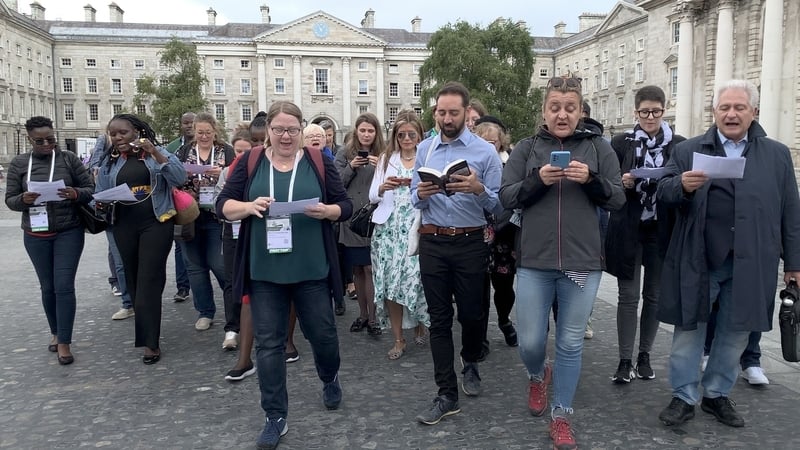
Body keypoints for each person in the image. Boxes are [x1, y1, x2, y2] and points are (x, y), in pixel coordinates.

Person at [656, 79, 800, 428]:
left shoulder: (777, 154)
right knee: (690, 328)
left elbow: (791, 212)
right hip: (700, 256)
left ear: (754, 112)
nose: (731, 114)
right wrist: (682, 186)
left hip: (754, 259)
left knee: (737, 330)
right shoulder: (689, 149)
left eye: (739, 108)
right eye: (725, 108)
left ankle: (717, 394)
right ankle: (684, 396)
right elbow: (663, 191)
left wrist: (794, 264)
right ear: (715, 112)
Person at [216, 100, 352, 449]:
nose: (286, 135)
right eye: (279, 129)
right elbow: (223, 206)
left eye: (293, 129)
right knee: (269, 345)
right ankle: (274, 415)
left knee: (322, 335)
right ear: (268, 132)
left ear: (302, 130)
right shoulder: (250, 162)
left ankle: (329, 376)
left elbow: (345, 205)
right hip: (265, 271)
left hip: (311, 268)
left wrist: (329, 210)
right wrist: (249, 207)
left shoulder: (320, 162)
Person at [500, 76, 624, 449]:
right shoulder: (526, 148)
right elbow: (507, 197)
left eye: (570, 107)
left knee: (570, 342)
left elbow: (617, 199)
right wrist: (538, 180)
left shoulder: (598, 148)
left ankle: (561, 415)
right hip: (535, 261)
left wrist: (591, 180)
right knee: (531, 340)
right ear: (544, 111)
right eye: (555, 106)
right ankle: (538, 373)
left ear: (581, 111)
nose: (562, 114)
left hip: (582, 262)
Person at [411, 81, 503, 425]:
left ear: (467, 114)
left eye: (453, 112)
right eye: (441, 112)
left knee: (472, 314)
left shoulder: (485, 153)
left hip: (470, 242)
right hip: (433, 241)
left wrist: (478, 189)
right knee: (438, 318)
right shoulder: (425, 149)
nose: (446, 118)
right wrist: (420, 192)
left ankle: (471, 360)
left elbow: (500, 206)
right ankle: (445, 393)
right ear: (435, 112)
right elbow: (412, 199)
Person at [604, 85, 686, 384]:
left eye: (656, 111)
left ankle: (645, 355)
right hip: (629, 227)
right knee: (628, 297)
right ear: (635, 113)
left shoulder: (678, 145)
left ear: (664, 111)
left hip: (661, 229)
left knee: (654, 296)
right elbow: (607, 183)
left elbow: (682, 186)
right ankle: (625, 359)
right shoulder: (621, 143)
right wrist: (622, 183)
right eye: (644, 112)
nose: (650, 117)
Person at [95, 114, 187, 364]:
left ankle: (150, 343)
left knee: (148, 278)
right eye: (113, 134)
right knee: (134, 280)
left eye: (122, 132)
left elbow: (179, 178)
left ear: (136, 131)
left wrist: (156, 154)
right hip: (124, 224)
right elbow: (100, 192)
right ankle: (147, 318)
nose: (117, 138)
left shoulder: (155, 152)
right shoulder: (110, 160)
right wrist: (101, 198)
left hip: (156, 222)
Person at [5, 115, 95, 365]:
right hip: (35, 233)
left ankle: (65, 341)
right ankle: (55, 332)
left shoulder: (69, 159)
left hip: (68, 231)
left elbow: (90, 189)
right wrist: (22, 199)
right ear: (30, 140)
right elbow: (10, 200)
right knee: (48, 287)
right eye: (40, 141)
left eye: (51, 139)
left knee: (64, 285)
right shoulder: (20, 163)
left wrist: (75, 193)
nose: (47, 144)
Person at [369, 110, 430, 360]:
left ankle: (420, 322)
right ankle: (398, 338)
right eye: (401, 134)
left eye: (411, 134)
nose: (406, 138)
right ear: (395, 136)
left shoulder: (426, 158)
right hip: (389, 229)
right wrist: (384, 187)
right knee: (391, 285)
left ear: (419, 136)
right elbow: (373, 196)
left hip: (417, 227)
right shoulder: (386, 159)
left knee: (416, 280)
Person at [176, 112, 235, 334]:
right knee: (194, 266)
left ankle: (233, 301)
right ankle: (205, 312)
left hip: (215, 215)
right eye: (200, 132)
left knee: (218, 263)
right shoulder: (184, 151)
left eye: (207, 132)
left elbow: (235, 174)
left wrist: (222, 173)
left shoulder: (225, 151)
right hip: (189, 215)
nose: (203, 136)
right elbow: (173, 176)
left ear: (214, 131)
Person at [335, 113, 386, 336]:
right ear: (356, 131)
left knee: (370, 268)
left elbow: (393, 181)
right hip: (353, 218)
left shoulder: (385, 153)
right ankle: (363, 314)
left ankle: (373, 317)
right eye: (362, 130)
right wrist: (351, 167)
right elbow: (335, 183)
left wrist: (381, 167)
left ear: (376, 133)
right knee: (357, 269)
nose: (366, 134)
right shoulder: (345, 153)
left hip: (375, 216)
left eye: (370, 130)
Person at [473, 118, 518, 348]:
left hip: (504, 233)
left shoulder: (510, 163)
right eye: (484, 141)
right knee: (479, 287)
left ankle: (504, 319)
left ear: (500, 143)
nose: (490, 147)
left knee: (504, 285)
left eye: (494, 142)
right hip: (478, 232)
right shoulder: (470, 165)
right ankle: (480, 336)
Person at [218, 132, 253, 350]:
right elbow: (218, 203)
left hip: (255, 231)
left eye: (246, 151)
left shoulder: (261, 170)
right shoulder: (226, 173)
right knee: (231, 280)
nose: (242, 155)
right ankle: (232, 328)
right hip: (232, 231)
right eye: (238, 151)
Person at [166, 111, 195, 303]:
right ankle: (182, 287)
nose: (189, 126)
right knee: (180, 245)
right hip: (180, 201)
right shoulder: (173, 147)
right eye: (185, 123)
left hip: (202, 201)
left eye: (192, 123)